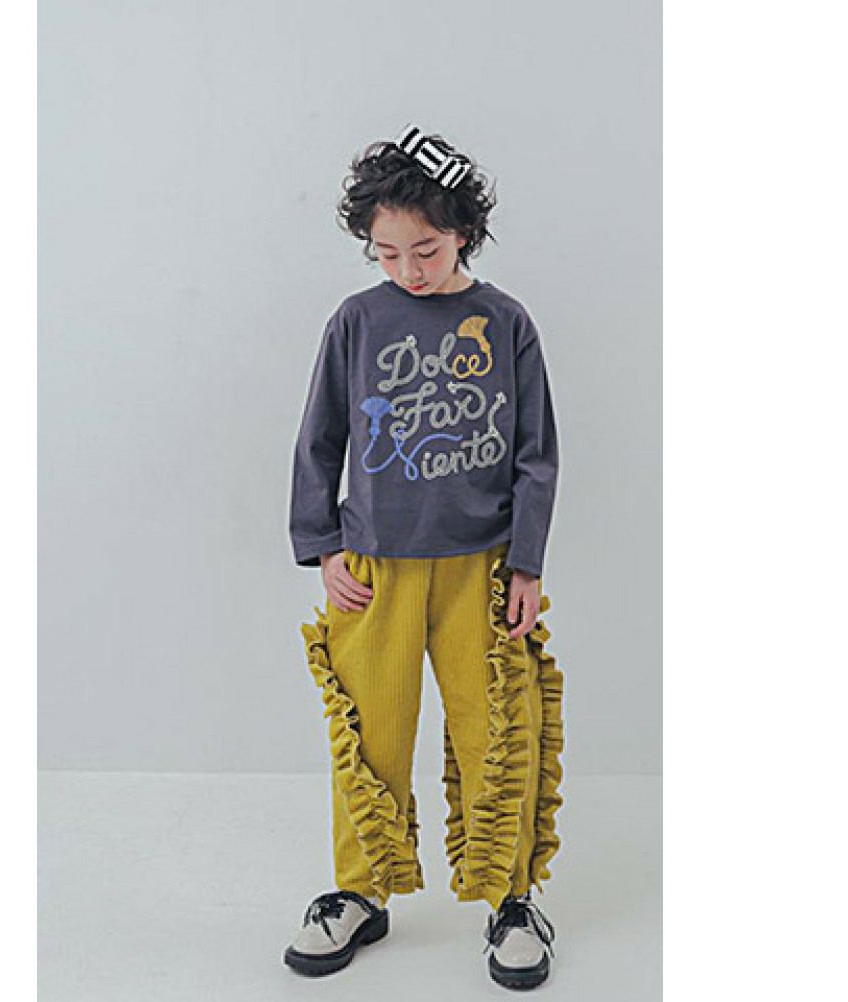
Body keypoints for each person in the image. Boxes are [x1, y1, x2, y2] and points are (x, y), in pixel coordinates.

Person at [283, 123, 564, 991]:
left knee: (499, 730)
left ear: (464, 234)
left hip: (483, 571)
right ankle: (359, 891)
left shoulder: (505, 322)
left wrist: (526, 562)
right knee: (370, 732)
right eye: (388, 253)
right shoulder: (357, 321)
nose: (409, 269)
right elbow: (320, 438)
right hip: (375, 573)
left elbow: (536, 454)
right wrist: (322, 546)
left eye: (427, 250)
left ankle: (511, 899)